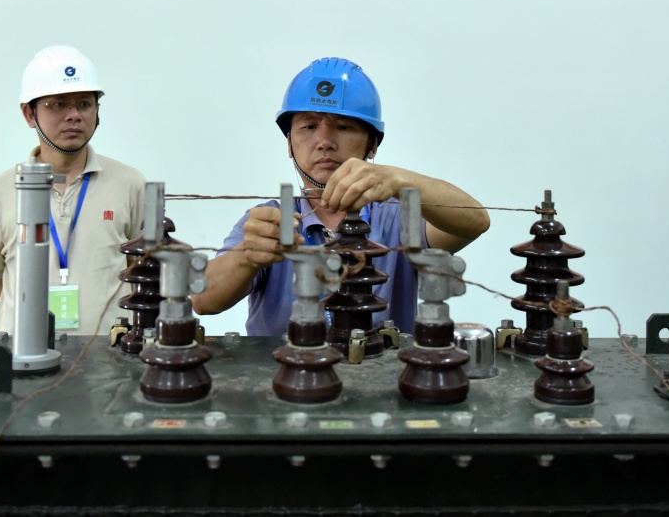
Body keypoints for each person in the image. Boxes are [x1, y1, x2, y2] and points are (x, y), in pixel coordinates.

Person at [192, 57, 490, 335]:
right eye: (309, 126)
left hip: (382, 373)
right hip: (283, 374)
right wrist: (248, 255)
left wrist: (400, 180)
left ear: (372, 144)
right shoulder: (267, 224)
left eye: (344, 127)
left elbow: (475, 221)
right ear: (289, 143)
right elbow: (203, 300)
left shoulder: (399, 219)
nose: (324, 142)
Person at [0, 45, 145, 336]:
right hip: (25, 351)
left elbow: (140, 271)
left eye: (84, 104)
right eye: (58, 104)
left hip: (111, 354)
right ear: (29, 114)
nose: (74, 115)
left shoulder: (130, 183)